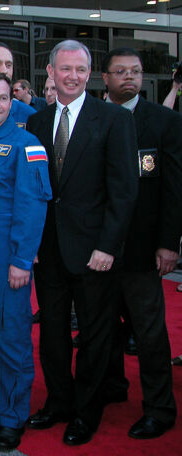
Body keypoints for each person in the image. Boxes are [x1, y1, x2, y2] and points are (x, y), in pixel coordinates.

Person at [26, 40, 139, 446]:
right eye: (64, 69)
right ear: (51, 73)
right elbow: (34, 191)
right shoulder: (37, 123)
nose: (72, 76)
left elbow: (124, 191)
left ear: (89, 74)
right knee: (53, 333)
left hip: (95, 253)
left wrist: (108, 246)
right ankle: (59, 402)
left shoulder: (112, 120)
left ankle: (86, 413)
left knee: (95, 336)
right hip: (49, 252)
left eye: (80, 69)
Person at [0, 72, 51, 451]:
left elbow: (33, 206)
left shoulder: (27, 144)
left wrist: (21, 259)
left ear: (12, 102)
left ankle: (13, 416)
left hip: (6, 256)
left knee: (12, 334)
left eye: (3, 98)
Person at [100, 48, 180, 439]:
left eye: (135, 72)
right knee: (104, 327)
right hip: (98, 250)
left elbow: (173, 189)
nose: (128, 78)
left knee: (149, 334)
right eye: (120, 72)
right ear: (105, 78)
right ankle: (113, 387)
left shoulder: (164, 121)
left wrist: (169, 243)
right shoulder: (89, 118)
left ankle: (160, 408)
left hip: (143, 249)